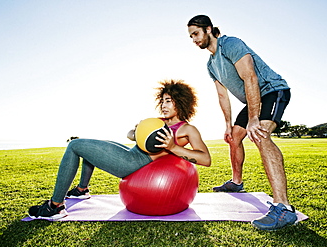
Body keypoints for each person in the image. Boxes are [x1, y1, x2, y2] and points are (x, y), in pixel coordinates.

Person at [28, 79, 211, 220]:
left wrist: (172, 147)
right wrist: (138, 130)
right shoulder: (158, 122)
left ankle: (55, 206)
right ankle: (82, 189)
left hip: (133, 164)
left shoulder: (187, 129)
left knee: (75, 146)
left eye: (168, 101)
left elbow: (205, 159)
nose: (163, 105)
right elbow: (131, 135)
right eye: (162, 101)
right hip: (133, 153)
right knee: (93, 145)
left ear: (181, 102)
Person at [187, 15, 297, 231]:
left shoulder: (231, 44)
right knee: (234, 137)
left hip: (272, 91)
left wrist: (254, 118)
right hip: (252, 98)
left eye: (196, 34)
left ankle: (283, 208)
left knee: (260, 135)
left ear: (208, 29)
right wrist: (228, 124)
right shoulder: (211, 64)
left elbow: (251, 78)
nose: (193, 39)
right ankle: (236, 183)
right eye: (190, 36)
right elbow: (222, 96)